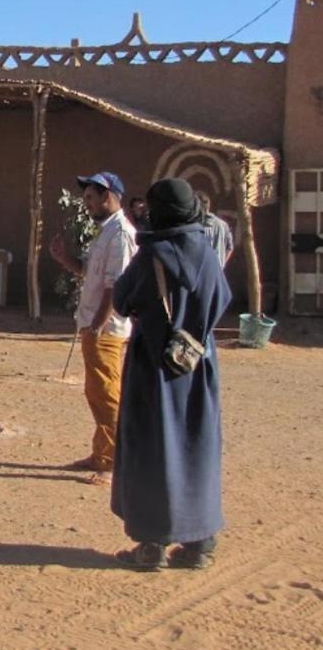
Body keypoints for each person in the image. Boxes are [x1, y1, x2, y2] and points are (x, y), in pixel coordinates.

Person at [110, 178, 231, 571]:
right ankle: (201, 542)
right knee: (196, 447)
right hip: (197, 367)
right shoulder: (209, 253)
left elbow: (123, 299)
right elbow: (222, 298)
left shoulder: (153, 255)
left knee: (153, 451)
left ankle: (152, 544)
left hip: (153, 368)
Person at [49, 171, 137, 485]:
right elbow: (90, 273)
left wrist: (97, 325)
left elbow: (116, 286)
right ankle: (102, 453)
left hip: (105, 329)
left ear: (107, 196)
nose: (86, 204)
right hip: (93, 325)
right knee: (97, 393)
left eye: (90, 197)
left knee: (107, 394)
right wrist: (64, 259)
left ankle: (115, 462)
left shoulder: (121, 234)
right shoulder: (105, 232)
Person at [195, 190, 234, 269]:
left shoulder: (197, 227)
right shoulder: (223, 225)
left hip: (203, 273)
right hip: (218, 273)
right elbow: (230, 248)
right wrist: (221, 264)